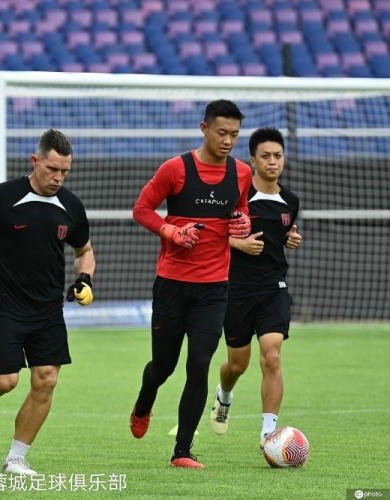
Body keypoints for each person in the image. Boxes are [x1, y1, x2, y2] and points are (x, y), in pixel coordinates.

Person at [0, 128, 95, 475]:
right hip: (3, 305)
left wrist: (85, 280)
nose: (58, 178)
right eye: (52, 169)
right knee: (4, 381)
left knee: (46, 380)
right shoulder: (1, 197)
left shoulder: (71, 206)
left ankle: (15, 458)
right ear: (35, 161)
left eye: (64, 172)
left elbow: (84, 251)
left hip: (48, 309)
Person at [129, 99, 253, 469]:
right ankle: (144, 402)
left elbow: (241, 211)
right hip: (172, 285)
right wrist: (170, 230)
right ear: (204, 129)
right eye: (222, 132)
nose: (228, 140)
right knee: (163, 366)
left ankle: (181, 451)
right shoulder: (175, 169)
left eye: (234, 134)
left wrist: (242, 223)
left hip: (214, 288)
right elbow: (141, 209)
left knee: (199, 364)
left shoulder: (242, 173)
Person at [209, 127, 302, 448]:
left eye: (278, 156)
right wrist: (239, 243)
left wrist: (291, 239)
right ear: (252, 161)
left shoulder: (291, 201)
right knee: (237, 365)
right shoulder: (236, 196)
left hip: (274, 288)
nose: (273, 162)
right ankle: (224, 394)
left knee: (272, 355)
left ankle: (268, 434)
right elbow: (212, 235)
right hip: (236, 290)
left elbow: (282, 234)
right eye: (266, 156)